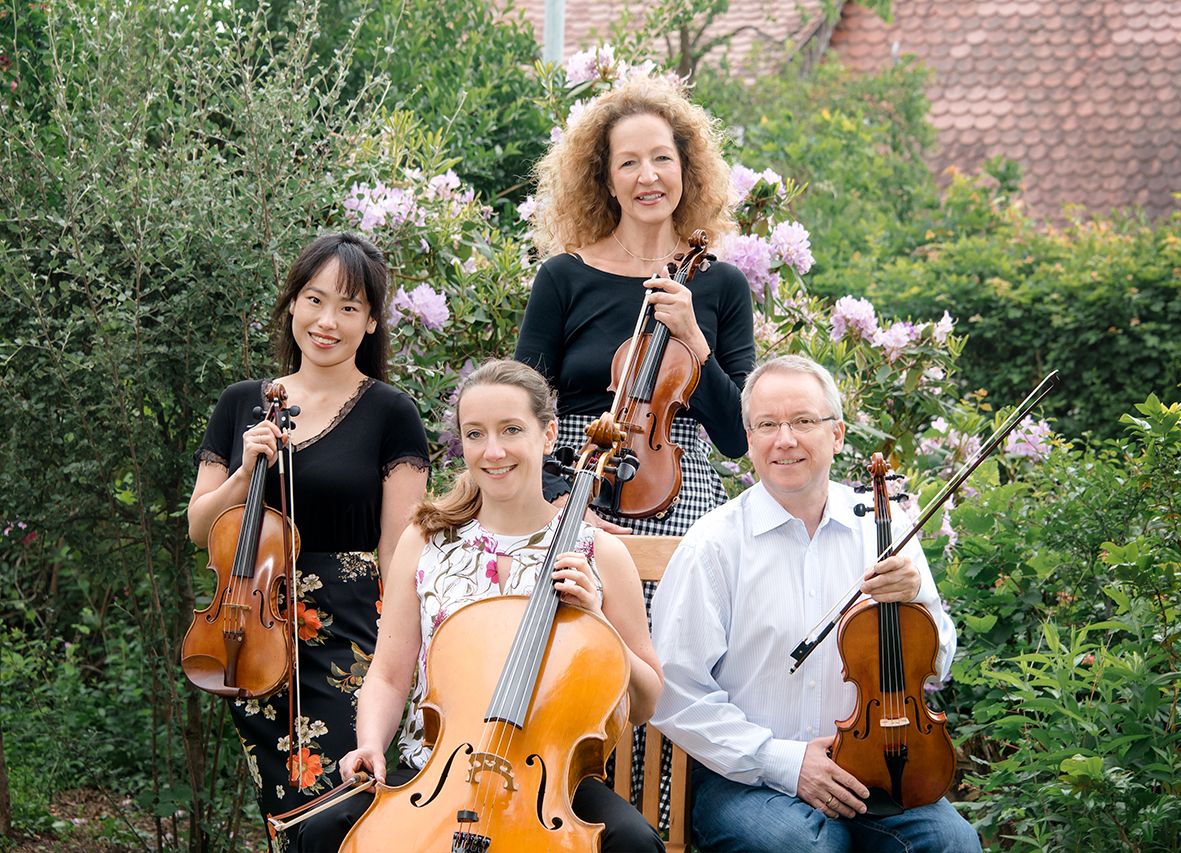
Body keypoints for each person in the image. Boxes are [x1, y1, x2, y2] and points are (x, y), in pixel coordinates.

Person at [296, 359, 665, 852]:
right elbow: (387, 674)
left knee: (635, 843)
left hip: (549, 783)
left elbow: (646, 703)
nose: (493, 451)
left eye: (511, 430)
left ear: (548, 434)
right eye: (475, 434)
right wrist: (369, 745)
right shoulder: (425, 542)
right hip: (434, 772)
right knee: (323, 831)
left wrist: (598, 620)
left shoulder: (601, 554)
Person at [649, 354, 982, 853]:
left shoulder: (884, 529)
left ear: (837, 434)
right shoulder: (713, 545)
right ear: (750, 440)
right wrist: (785, 761)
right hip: (749, 779)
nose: (785, 440)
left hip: (879, 769)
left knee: (952, 842)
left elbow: (939, 662)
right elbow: (675, 692)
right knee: (806, 848)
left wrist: (917, 602)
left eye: (803, 421)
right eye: (767, 425)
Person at [187, 232, 430, 850]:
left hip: (352, 632)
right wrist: (244, 474)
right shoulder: (242, 404)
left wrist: (404, 648)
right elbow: (199, 526)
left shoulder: (391, 412)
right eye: (315, 300)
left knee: (346, 805)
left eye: (348, 307)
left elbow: (399, 548)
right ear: (292, 302)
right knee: (286, 817)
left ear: (370, 322)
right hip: (254, 631)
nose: (327, 321)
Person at [516, 72, 755, 538]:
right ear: (606, 180)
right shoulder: (563, 277)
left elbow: (737, 437)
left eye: (662, 158)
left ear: (684, 168)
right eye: (628, 163)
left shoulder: (723, 284)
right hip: (573, 487)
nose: (648, 176)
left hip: (681, 499)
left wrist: (693, 339)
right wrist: (561, 501)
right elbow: (521, 410)